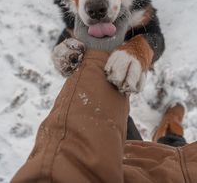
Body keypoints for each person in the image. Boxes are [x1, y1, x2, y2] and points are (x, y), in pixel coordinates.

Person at [11, 48, 197, 183]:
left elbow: (66, 160)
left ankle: (152, 128)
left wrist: (100, 53)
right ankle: (170, 127)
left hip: (126, 162)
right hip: (190, 161)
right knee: (174, 140)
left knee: (114, 125)